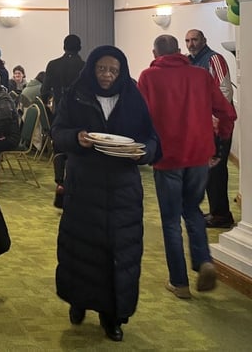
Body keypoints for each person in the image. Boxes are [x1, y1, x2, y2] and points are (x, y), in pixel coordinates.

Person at [51, 45, 160, 343]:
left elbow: (152, 139)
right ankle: (79, 301)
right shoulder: (76, 95)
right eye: (102, 69)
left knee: (120, 255)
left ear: (121, 71)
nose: (107, 75)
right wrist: (76, 138)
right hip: (84, 186)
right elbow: (57, 132)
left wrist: (144, 153)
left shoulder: (133, 96)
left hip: (123, 189)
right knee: (82, 251)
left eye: (113, 70)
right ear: (92, 69)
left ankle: (113, 316)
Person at [138, 34, 235, 301]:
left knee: (170, 221)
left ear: (155, 52)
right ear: (180, 51)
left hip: (167, 157)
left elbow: (139, 115)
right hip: (199, 157)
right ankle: (203, 260)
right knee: (192, 210)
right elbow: (227, 112)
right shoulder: (201, 76)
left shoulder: (148, 77)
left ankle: (179, 282)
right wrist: (220, 142)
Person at [185, 29, 236, 228]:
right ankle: (217, 211)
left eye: (195, 39)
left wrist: (215, 120)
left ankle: (222, 216)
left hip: (219, 125)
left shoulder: (215, 59)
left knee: (216, 171)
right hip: (203, 125)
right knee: (208, 170)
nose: (191, 44)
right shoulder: (190, 61)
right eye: (188, 40)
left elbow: (225, 90)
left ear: (204, 40)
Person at [41, 34, 85, 208]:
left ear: (64, 46)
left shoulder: (53, 65)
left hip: (60, 111)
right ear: (79, 47)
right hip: (81, 112)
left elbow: (44, 91)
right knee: (77, 148)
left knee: (59, 148)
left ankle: (60, 183)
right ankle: (76, 187)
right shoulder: (84, 66)